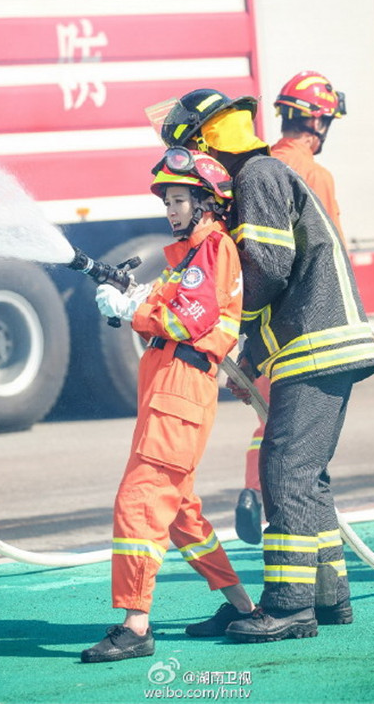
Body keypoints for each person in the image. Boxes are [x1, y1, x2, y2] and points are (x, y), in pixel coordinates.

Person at [160, 88, 374, 644]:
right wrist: (253, 354)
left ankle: (288, 606)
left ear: (206, 142)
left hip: (317, 343)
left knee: (284, 470)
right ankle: (330, 599)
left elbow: (269, 268)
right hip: (309, 344)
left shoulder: (258, 176)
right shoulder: (259, 177)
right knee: (309, 476)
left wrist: (227, 333)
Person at [81, 149, 255, 663]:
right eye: (169, 201)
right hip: (170, 391)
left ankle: (136, 626)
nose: (171, 209)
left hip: (179, 392)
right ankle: (241, 607)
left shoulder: (213, 250)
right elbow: (173, 308)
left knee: (138, 502)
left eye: (180, 200)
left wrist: (134, 310)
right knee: (179, 513)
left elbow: (188, 321)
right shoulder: (191, 259)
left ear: (206, 204)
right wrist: (134, 298)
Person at [235, 71, 347, 545]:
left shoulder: (258, 168)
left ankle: (251, 487)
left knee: (272, 421)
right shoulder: (315, 175)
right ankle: (298, 567)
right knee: (301, 446)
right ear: (320, 122)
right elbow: (332, 253)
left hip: (261, 325)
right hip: (306, 327)